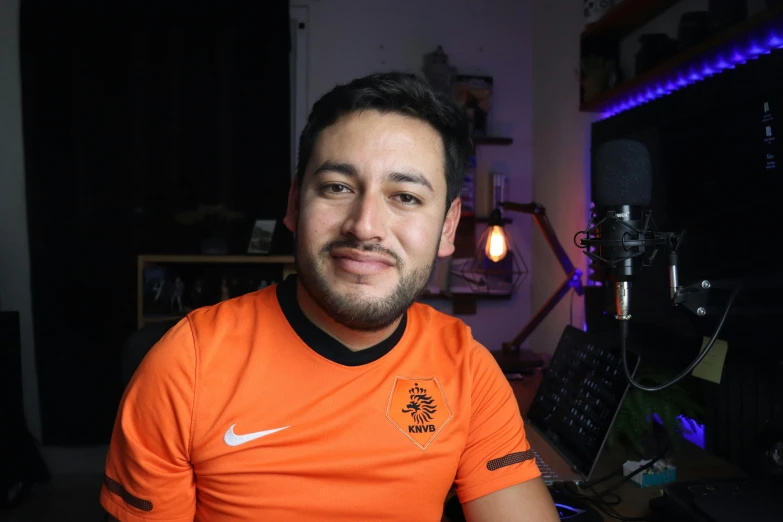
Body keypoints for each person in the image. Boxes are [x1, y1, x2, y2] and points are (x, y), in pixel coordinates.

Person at [101, 72, 559, 522]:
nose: (364, 226)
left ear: (447, 226)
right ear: (295, 204)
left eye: (404, 196)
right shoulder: (186, 365)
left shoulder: (469, 372)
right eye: (337, 188)